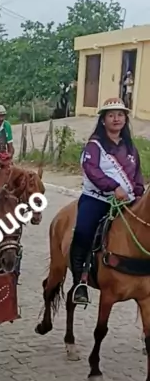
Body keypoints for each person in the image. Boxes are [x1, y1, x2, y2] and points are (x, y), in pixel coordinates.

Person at [71, 97, 145, 306]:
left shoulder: (130, 148)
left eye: (120, 115)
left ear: (125, 119)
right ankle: (79, 282)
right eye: (111, 115)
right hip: (97, 199)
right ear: (103, 120)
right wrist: (113, 187)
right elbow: (91, 170)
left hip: (128, 201)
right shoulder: (94, 146)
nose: (116, 119)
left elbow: (138, 175)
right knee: (83, 232)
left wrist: (138, 193)